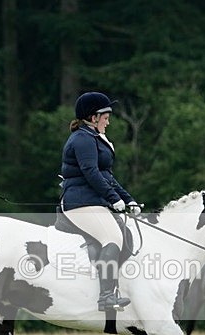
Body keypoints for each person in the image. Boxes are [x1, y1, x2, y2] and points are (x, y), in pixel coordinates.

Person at [60, 92, 141, 311]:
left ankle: (116, 287)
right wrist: (114, 199)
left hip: (93, 200)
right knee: (113, 237)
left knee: (124, 233)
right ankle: (106, 296)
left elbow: (107, 176)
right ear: (93, 117)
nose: (108, 120)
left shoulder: (92, 137)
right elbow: (90, 172)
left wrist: (128, 199)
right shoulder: (83, 139)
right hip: (80, 202)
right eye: (105, 116)